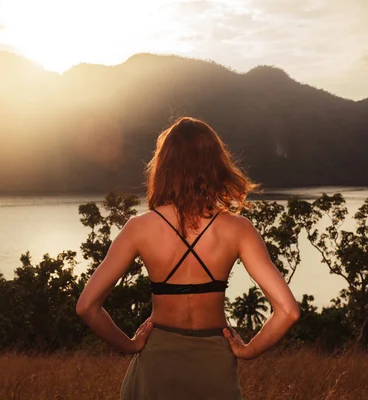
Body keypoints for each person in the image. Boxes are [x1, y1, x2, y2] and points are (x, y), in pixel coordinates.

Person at [76, 116, 301, 399]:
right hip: (214, 364)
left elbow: (87, 306)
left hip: (157, 363)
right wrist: (248, 350)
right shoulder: (238, 229)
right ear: (216, 164)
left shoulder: (139, 228)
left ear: (164, 167)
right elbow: (288, 311)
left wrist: (129, 345)